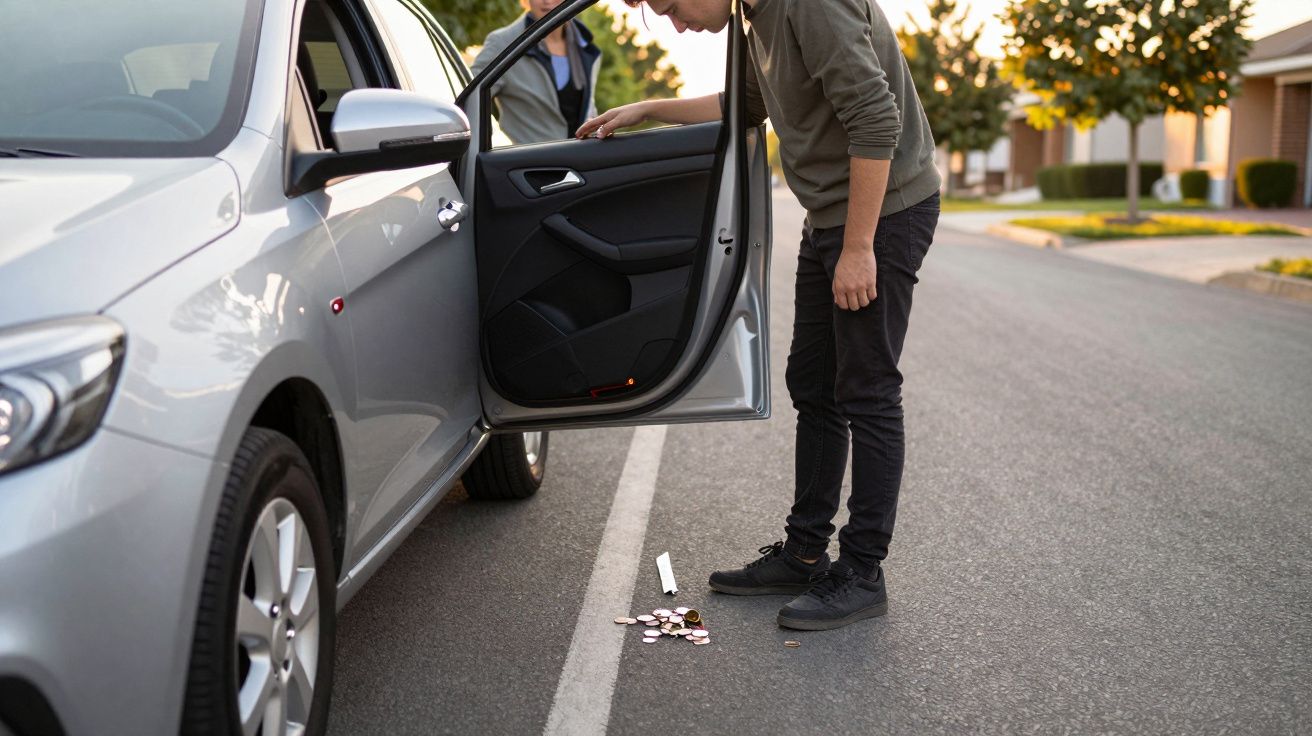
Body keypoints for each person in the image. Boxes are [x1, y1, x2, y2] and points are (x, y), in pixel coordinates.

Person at [577, 0, 941, 631]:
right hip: (833, 214)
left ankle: (861, 571)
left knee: (868, 389)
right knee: (813, 383)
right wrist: (648, 109)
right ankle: (804, 552)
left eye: (669, 6)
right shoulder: (754, 14)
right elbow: (748, 105)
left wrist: (858, 249)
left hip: (882, 215)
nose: (674, 24)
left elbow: (876, 121)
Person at [472, 0, 601, 145]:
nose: (547, 0)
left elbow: (588, 109)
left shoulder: (586, 48)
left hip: (579, 163)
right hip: (525, 164)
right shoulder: (501, 43)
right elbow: (469, 102)